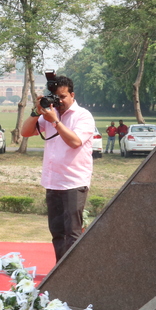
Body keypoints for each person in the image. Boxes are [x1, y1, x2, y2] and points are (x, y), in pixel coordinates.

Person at [20, 75, 95, 261]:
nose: (59, 101)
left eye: (63, 97)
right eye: (56, 97)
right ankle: (60, 270)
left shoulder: (83, 116)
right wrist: (36, 112)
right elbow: (25, 132)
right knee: (57, 232)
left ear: (72, 95)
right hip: (53, 181)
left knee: (72, 232)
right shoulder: (50, 114)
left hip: (73, 182)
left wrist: (55, 121)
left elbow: (75, 142)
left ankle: (73, 271)